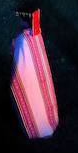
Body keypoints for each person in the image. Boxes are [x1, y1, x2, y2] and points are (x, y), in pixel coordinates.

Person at [10, 9, 59, 139]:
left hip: (29, 82)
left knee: (30, 99)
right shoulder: (37, 35)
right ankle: (46, 122)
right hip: (39, 80)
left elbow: (20, 66)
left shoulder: (22, 40)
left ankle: (35, 127)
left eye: (20, 18)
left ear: (24, 20)